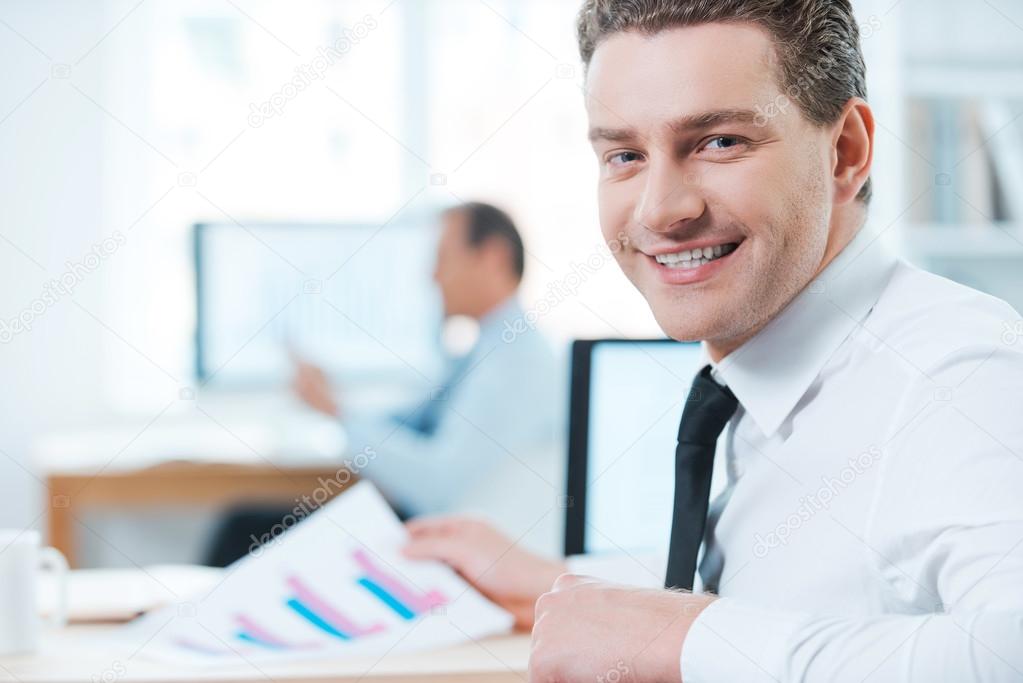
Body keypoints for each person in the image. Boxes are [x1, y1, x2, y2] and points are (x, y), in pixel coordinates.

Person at [402, 1, 1023, 681]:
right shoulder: (753, 374)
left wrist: (689, 640)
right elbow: (821, 589)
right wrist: (567, 585)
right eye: (624, 155)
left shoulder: (960, 373)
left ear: (845, 151)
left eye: (719, 141)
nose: (661, 209)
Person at [205, 203, 563, 566]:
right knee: (245, 525)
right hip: (433, 527)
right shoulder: (484, 350)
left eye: (443, 258)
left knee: (241, 532)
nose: (433, 277)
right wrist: (335, 406)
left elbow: (436, 486)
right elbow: (410, 421)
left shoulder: (517, 364)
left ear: (493, 257)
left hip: (446, 539)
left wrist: (336, 412)